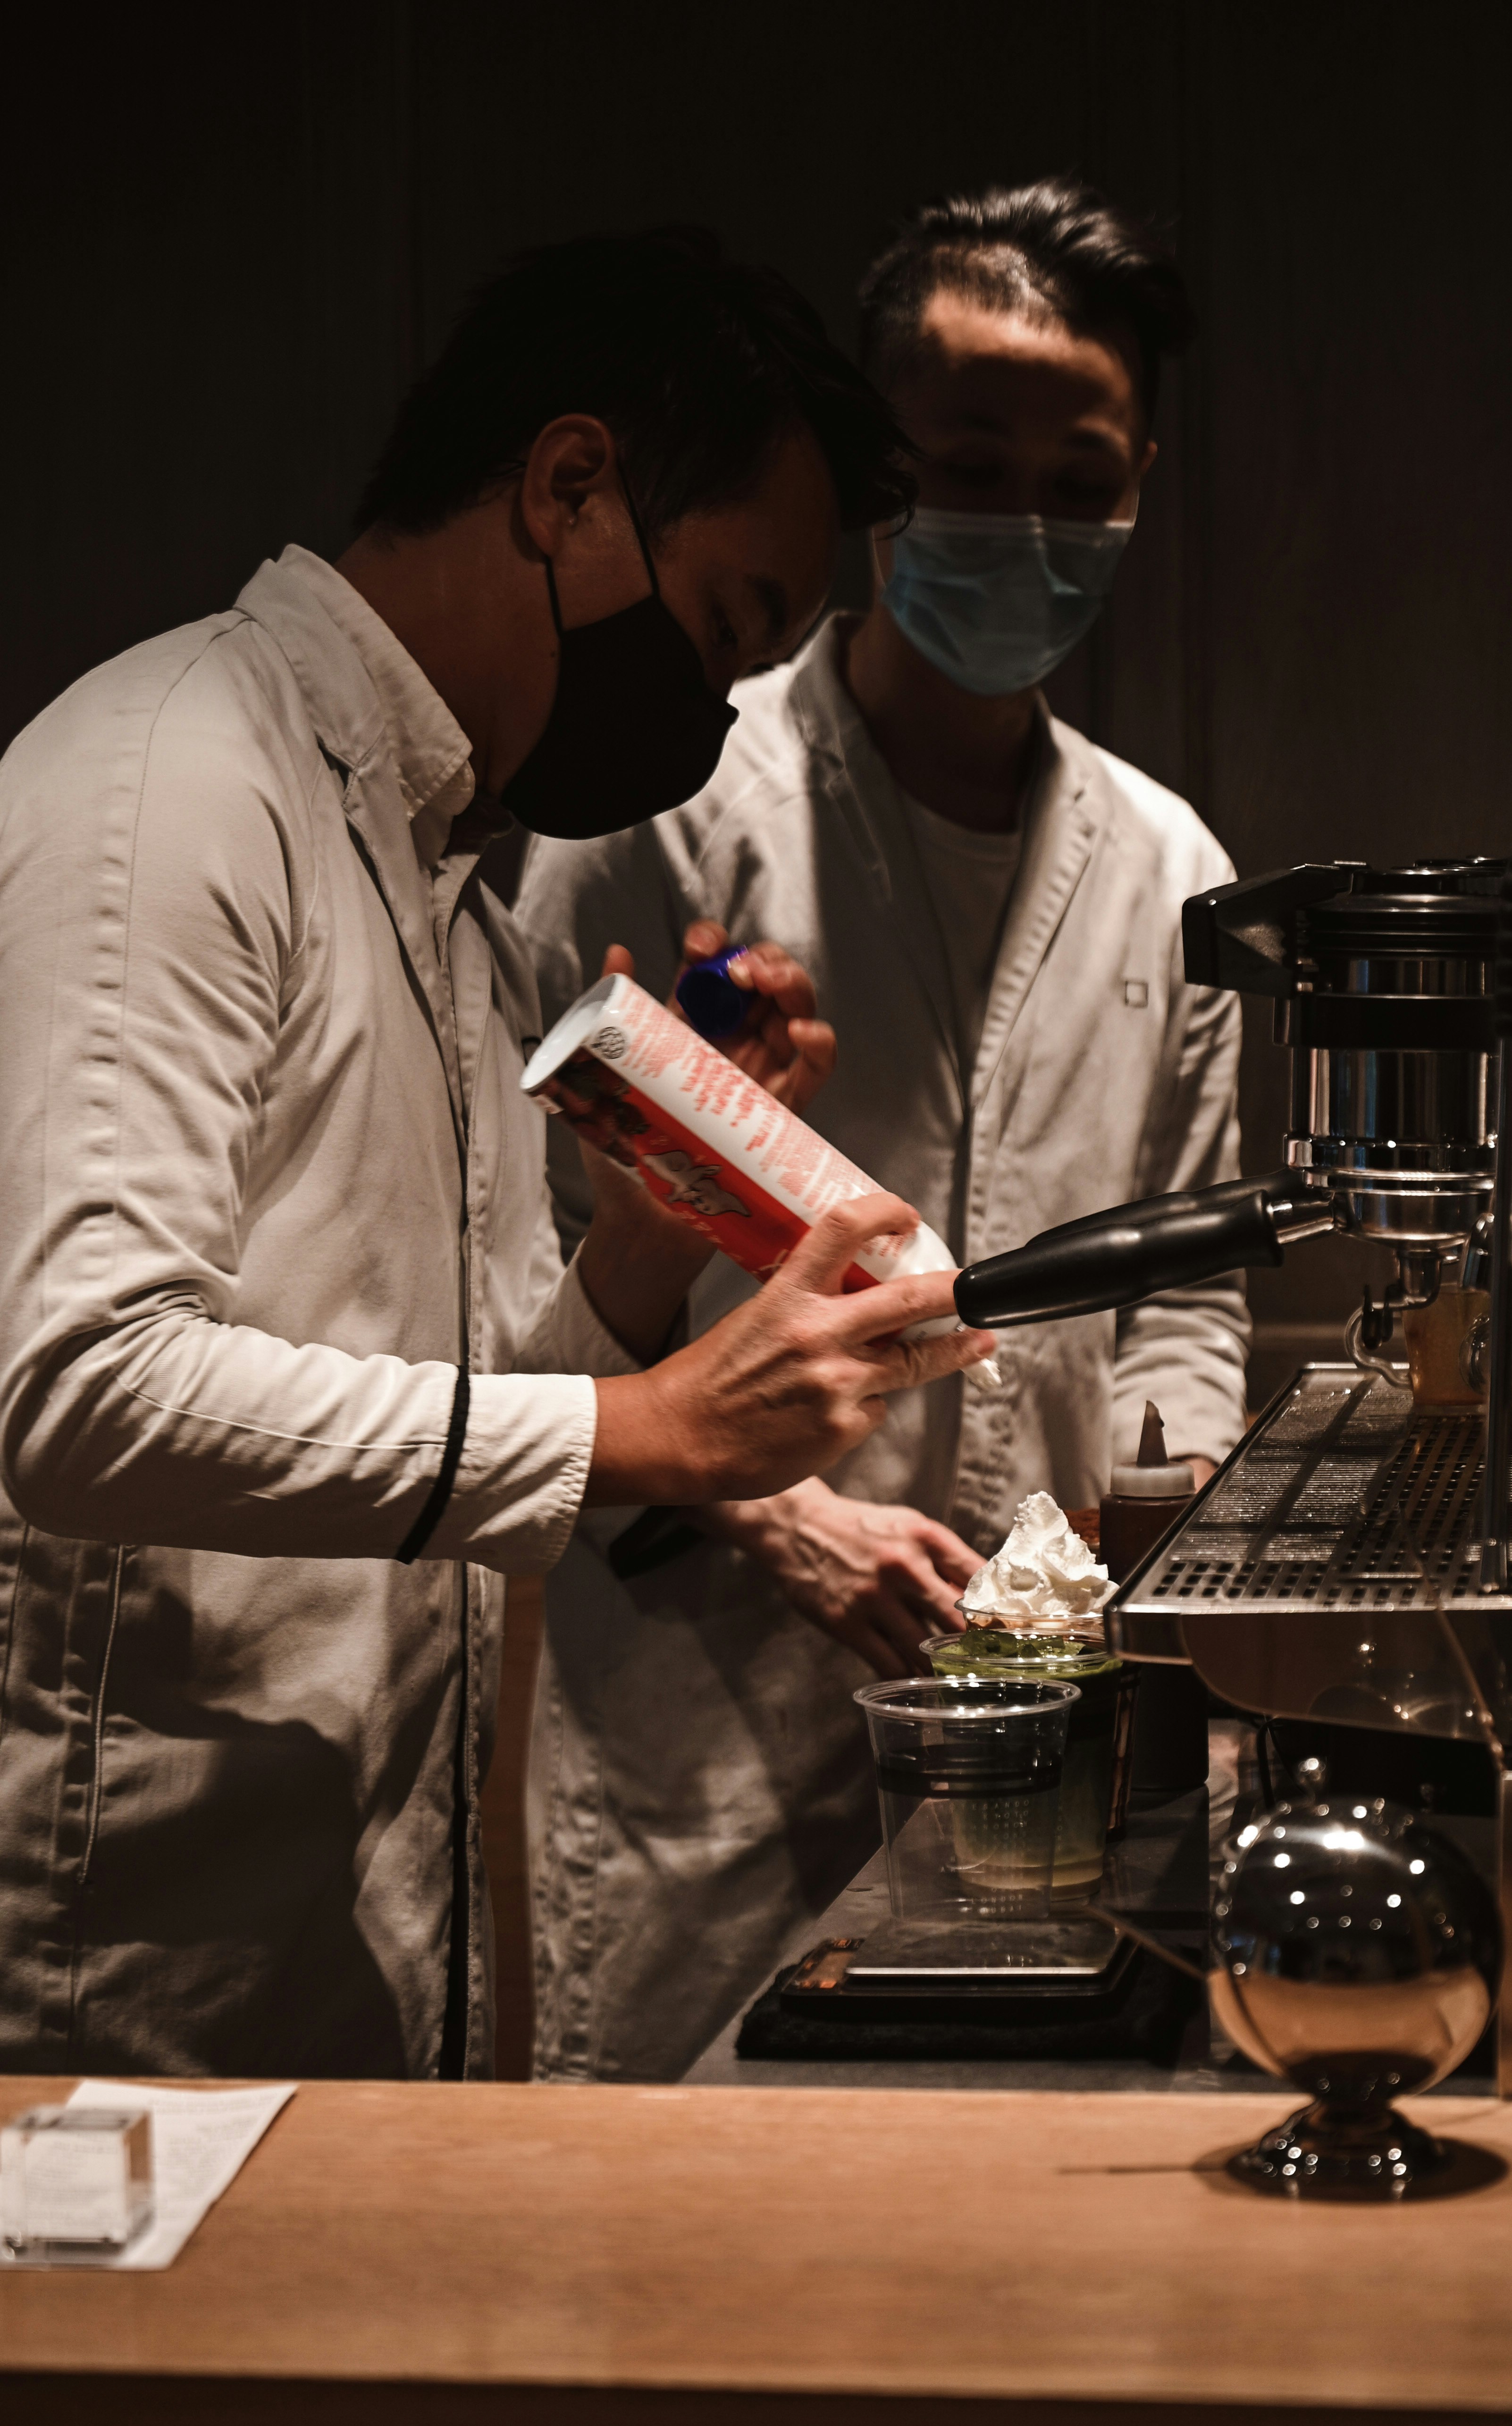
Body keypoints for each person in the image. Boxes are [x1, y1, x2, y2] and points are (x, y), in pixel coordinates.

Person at [0, 230, 992, 2081]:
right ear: (570, 488)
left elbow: (440, 1429)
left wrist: (636, 1255)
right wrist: (661, 1429)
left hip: (341, 1981)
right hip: (113, 2014)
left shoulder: (444, 879)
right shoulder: (173, 780)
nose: (701, 729)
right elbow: (79, 1393)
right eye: (714, 629)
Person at [514, 182, 1248, 2081]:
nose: (1023, 528)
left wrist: (1144, 1558)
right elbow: (511, 1289)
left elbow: (1189, 1296)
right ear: (876, 470)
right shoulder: (667, 814)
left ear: (1140, 482)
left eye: (1074, 479)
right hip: (694, 1712)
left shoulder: (1170, 875)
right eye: (966, 468)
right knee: (678, 2250)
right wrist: (782, 1523)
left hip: (1046, 1725)